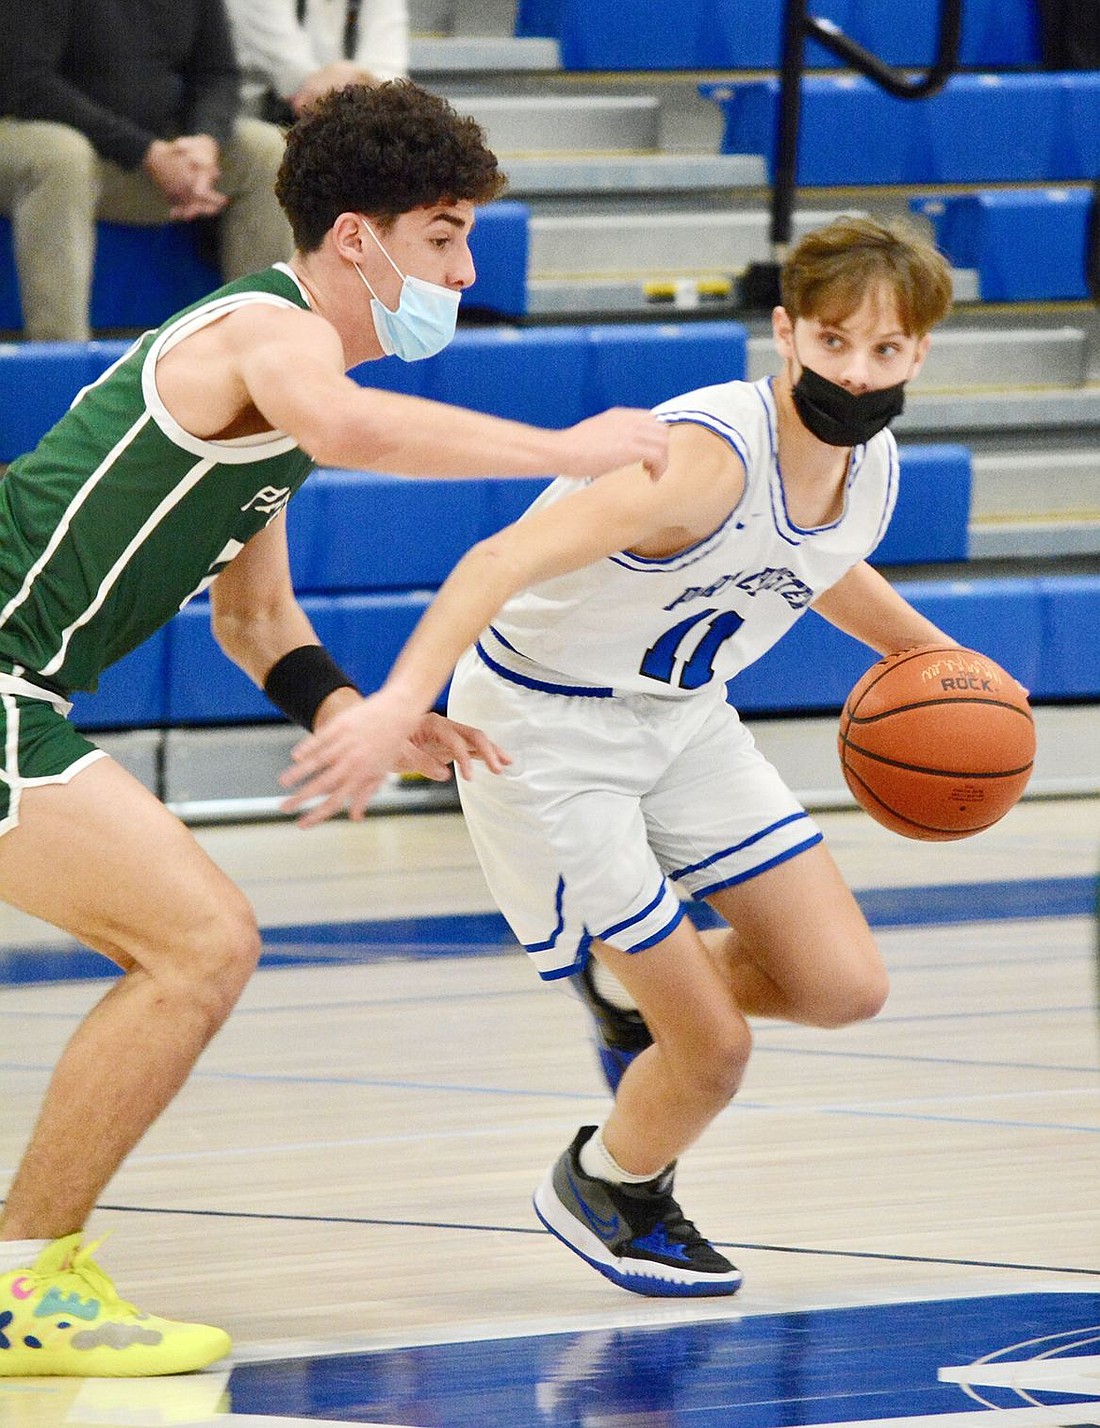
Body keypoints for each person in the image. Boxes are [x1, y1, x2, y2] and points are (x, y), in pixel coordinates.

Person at [0, 80, 669, 1377]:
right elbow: (358, 427)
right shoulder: (266, 332)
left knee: (190, 946)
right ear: (354, 237)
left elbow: (255, 621)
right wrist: (567, 446)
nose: (467, 269)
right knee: (199, 944)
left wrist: (357, 710)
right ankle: (27, 1276)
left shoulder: (277, 411)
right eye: (444, 234)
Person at [279, 215, 958, 1296]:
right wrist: (392, 703)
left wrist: (942, 659)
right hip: (545, 734)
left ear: (919, 352)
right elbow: (495, 559)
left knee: (842, 987)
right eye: (833, 343)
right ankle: (610, 1184)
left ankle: (623, 983)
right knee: (713, 1055)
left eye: (884, 351)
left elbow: (811, 559)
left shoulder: (868, 467)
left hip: (683, 719)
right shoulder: (701, 458)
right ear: (784, 333)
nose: (857, 369)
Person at [0, 0, 292, 342]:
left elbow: (218, 72)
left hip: (147, 148)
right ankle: (61, 364)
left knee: (268, 149)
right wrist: (145, 152)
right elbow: (28, 85)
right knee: (61, 157)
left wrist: (204, 142)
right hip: (30, 133)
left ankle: (262, 349)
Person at [226, 0, 409, 124]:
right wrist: (356, 82)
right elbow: (294, 74)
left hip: (348, 119)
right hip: (252, 118)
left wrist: (346, 80)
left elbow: (391, 76)